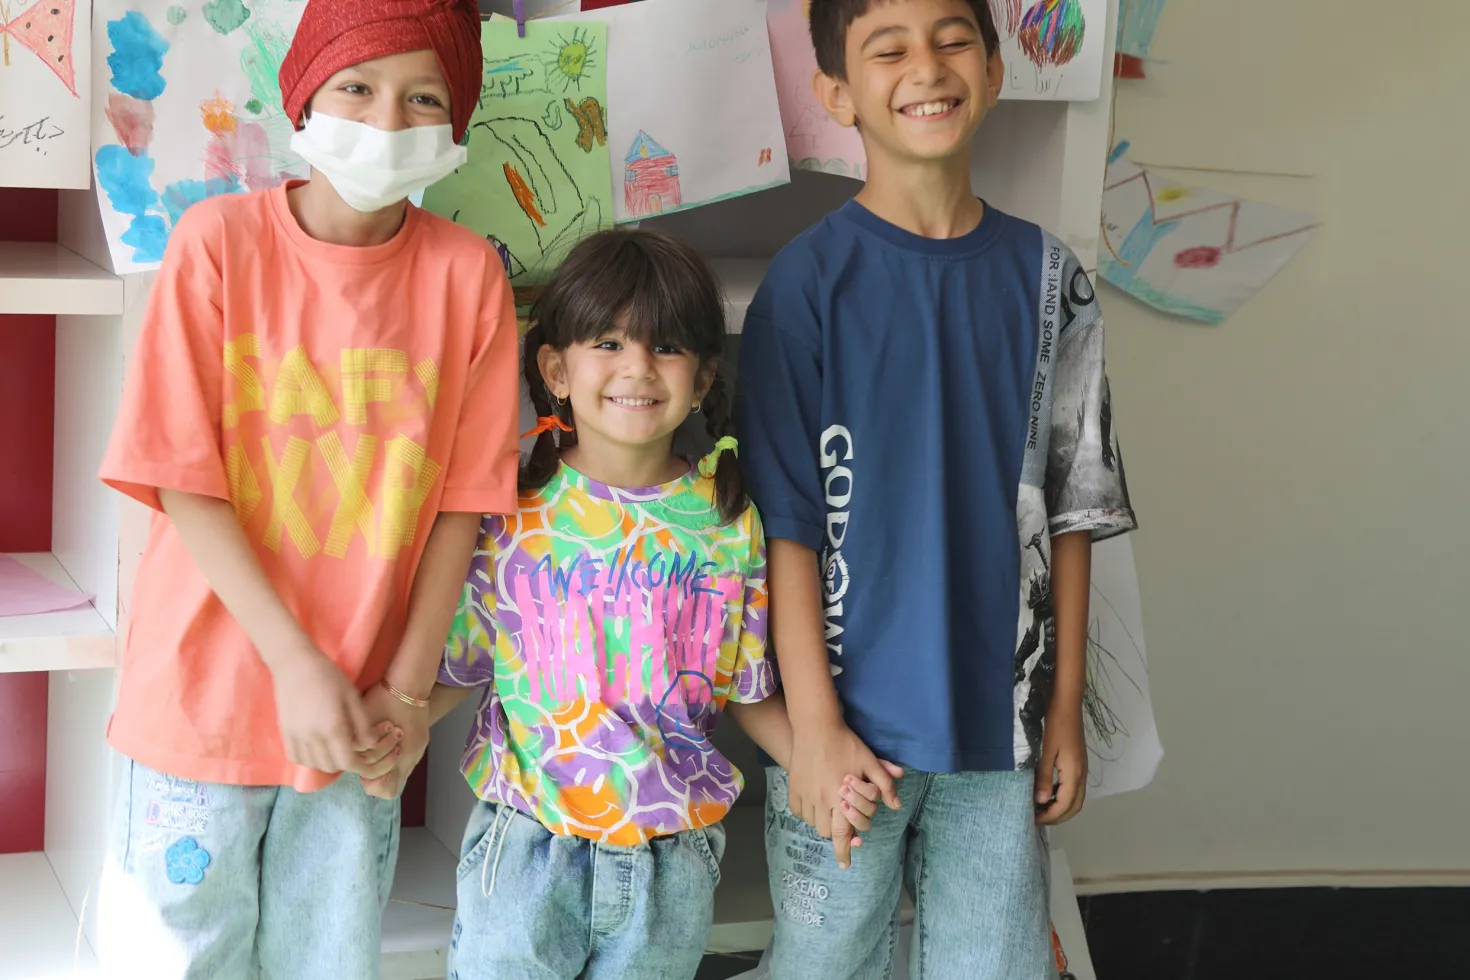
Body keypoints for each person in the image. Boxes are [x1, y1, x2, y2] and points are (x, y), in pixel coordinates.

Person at [94, 0, 518, 976]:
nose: (386, 121)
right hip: (198, 708)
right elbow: (179, 476)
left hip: (362, 725)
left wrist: (409, 695)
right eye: (356, 89)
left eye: (424, 98)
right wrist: (290, 660)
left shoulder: (467, 279)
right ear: (305, 97)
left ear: (455, 122)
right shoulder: (216, 245)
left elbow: (465, 504)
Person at [737, 1, 1138, 978]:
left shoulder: (1053, 282)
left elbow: (1077, 508)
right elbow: (783, 526)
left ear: (996, 69)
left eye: (955, 38)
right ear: (837, 94)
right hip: (847, 741)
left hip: (996, 742)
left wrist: (1063, 711)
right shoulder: (804, 285)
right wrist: (816, 732)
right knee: (825, 962)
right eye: (889, 48)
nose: (928, 66)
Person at [427, 229, 895, 980]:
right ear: (555, 368)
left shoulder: (728, 520)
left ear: (704, 379)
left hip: (669, 868)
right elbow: (460, 661)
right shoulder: (510, 512)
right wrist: (385, 725)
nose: (637, 367)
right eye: (608, 342)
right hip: (525, 850)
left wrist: (828, 770)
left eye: (667, 347)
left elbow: (746, 691)